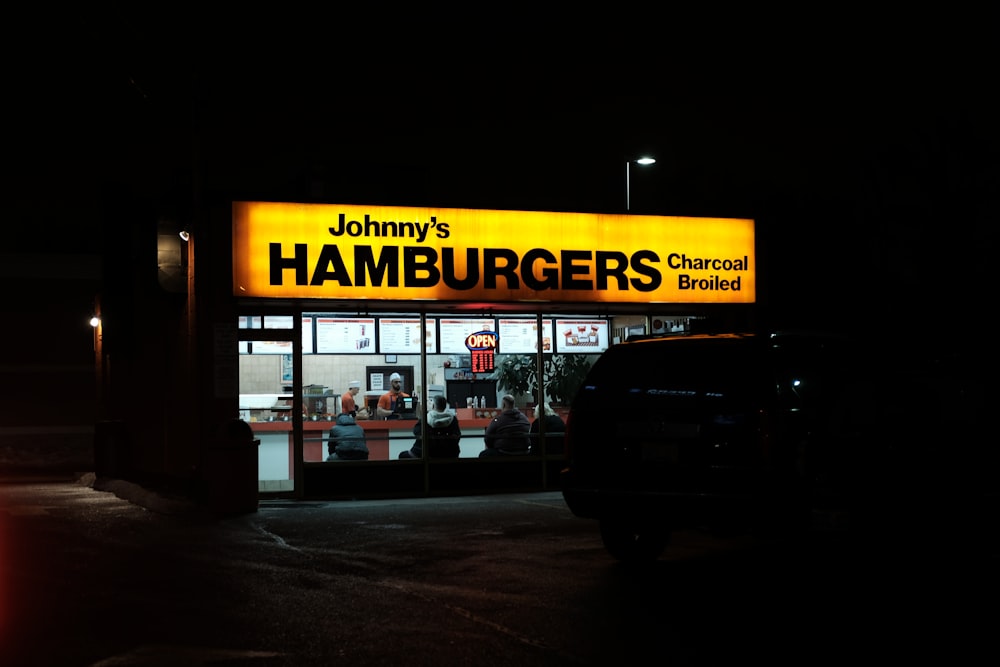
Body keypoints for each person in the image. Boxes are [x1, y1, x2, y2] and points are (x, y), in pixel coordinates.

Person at [399, 395, 461, 459]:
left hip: (424, 453)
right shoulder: (452, 419)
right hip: (449, 454)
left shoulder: (426, 417)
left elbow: (416, 432)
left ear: (433, 405)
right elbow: (457, 436)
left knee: (402, 455)